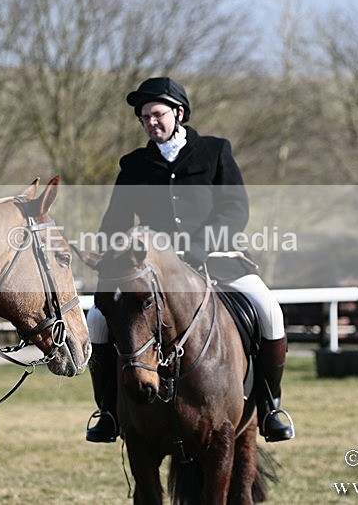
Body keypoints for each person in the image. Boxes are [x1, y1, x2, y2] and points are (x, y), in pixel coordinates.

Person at [85, 76, 294, 443]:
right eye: (144, 117)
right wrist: (110, 256)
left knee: (269, 310)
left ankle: (271, 406)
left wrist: (198, 247)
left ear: (178, 112)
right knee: (97, 320)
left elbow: (234, 209)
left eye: (157, 114)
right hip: (154, 270)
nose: (151, 123)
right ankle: (107, 412)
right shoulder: (134, 165)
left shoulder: (215, 152)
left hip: (216, 258)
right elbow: (115, 220)